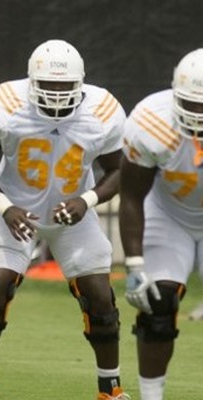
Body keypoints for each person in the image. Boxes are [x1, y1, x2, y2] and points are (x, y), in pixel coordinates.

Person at [0, 39, 130, 400]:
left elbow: (120, 170)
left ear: (81, 83)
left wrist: (86, 200)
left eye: (64, 85)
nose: (56, 93)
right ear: (31, 81)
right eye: (48, 84)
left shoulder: (102, 110)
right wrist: (4, 206)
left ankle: (110, 388)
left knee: (100, 297)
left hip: (74, 215)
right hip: (15, 213)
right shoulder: (5, 105)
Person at [119, 48, 203, 400]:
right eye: (192, 103)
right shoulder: (151, 120)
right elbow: (131, 195)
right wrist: (135, 264)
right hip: (170, 215)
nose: (198, 114)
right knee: (158, 303)